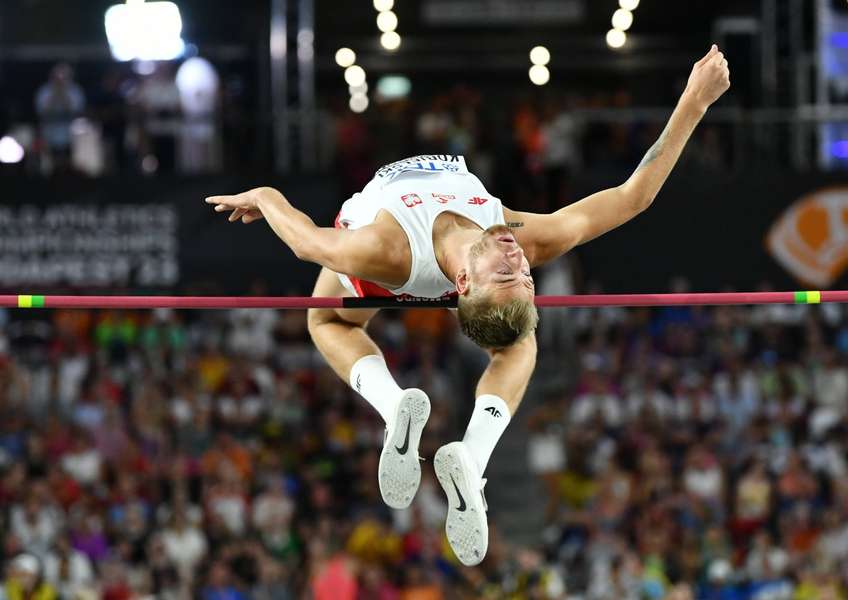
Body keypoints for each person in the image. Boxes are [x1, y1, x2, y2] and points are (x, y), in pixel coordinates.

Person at [205, 45, 731, 566]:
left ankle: (395, 410)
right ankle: (471, 458)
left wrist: (266, 196)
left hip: (394, 264)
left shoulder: (380, 249)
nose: (519, 260)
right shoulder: (520, 236)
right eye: (525, 276)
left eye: (508, 270)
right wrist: (694, 103)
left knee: (324, 319)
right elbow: (631, 197)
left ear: (462, 283)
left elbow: (307, 242)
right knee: (520, 341)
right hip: (423, 260)